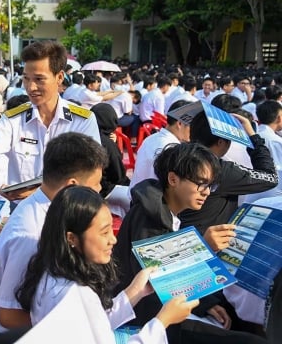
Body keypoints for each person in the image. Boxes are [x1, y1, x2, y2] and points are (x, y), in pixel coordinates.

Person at [113, 142, 268, 344]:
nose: (206, 192)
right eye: (200, 183)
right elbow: (157, 285)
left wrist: (206, 303)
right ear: (173, 179)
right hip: (146, 319)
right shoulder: (149, 218)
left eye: (210, 185)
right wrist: (203, 247)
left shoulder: (163, 211)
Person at [15, 185, 198, 343]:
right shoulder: (76, 294)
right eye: (104, 233)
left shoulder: (53, 271)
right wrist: (162, 321)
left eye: (111, 228)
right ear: (72, 238)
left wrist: (136, 290)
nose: (113, 240)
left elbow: (95, 326)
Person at [0, 41, 101, 210]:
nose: (31, 87)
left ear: (59, 77)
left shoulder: (83, 121)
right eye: (26, 79)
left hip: (67, 211)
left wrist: (41, 191)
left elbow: (91, 174)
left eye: (39, 79)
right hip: (23, 211)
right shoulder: (13, 119)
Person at [0, 132, 107, 333]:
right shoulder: (31, 234)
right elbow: (8, 315)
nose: (99, 190)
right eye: (95, 184)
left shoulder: (50, 207)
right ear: (72, 186)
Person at [181, 110, 278, 235]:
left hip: (180, 235)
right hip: (208, 241)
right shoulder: (219, 169)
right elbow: (271, 178)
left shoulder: (177, 155)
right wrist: (254, 138)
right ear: (221, 142)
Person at [129, 99, 191, 190]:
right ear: (180, 124)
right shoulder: (173, 148)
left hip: (135, 196)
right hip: (152, 201)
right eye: (192, 125)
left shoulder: (150, 138)